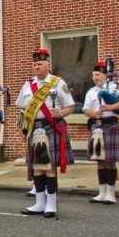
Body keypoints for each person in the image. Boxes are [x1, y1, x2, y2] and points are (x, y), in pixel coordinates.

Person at [16, 48, 75, 218]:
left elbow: (70, 106)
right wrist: (23, 126)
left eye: (40, 64)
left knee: (49, 168)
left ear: (48, 65)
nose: (36, 67)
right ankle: (39, 203)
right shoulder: (28, 85)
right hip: (35, 129)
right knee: (37, 168)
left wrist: (61, 113)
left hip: (51, 127)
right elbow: (21, 107)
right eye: (34, 64)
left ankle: (51, 204)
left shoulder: (58, 83)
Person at [83, 61, 119, 204]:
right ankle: (101, 192)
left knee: (110, 162)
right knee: (99, 162)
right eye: (93, 75)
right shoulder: (91, 91)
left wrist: (111, 106)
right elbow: (85, 109)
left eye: (97, 74)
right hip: (96, 127)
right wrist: (94, 114)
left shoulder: (115, 88)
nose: (95, 77)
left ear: (105, 75)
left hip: (110, 126)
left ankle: (111, 194)